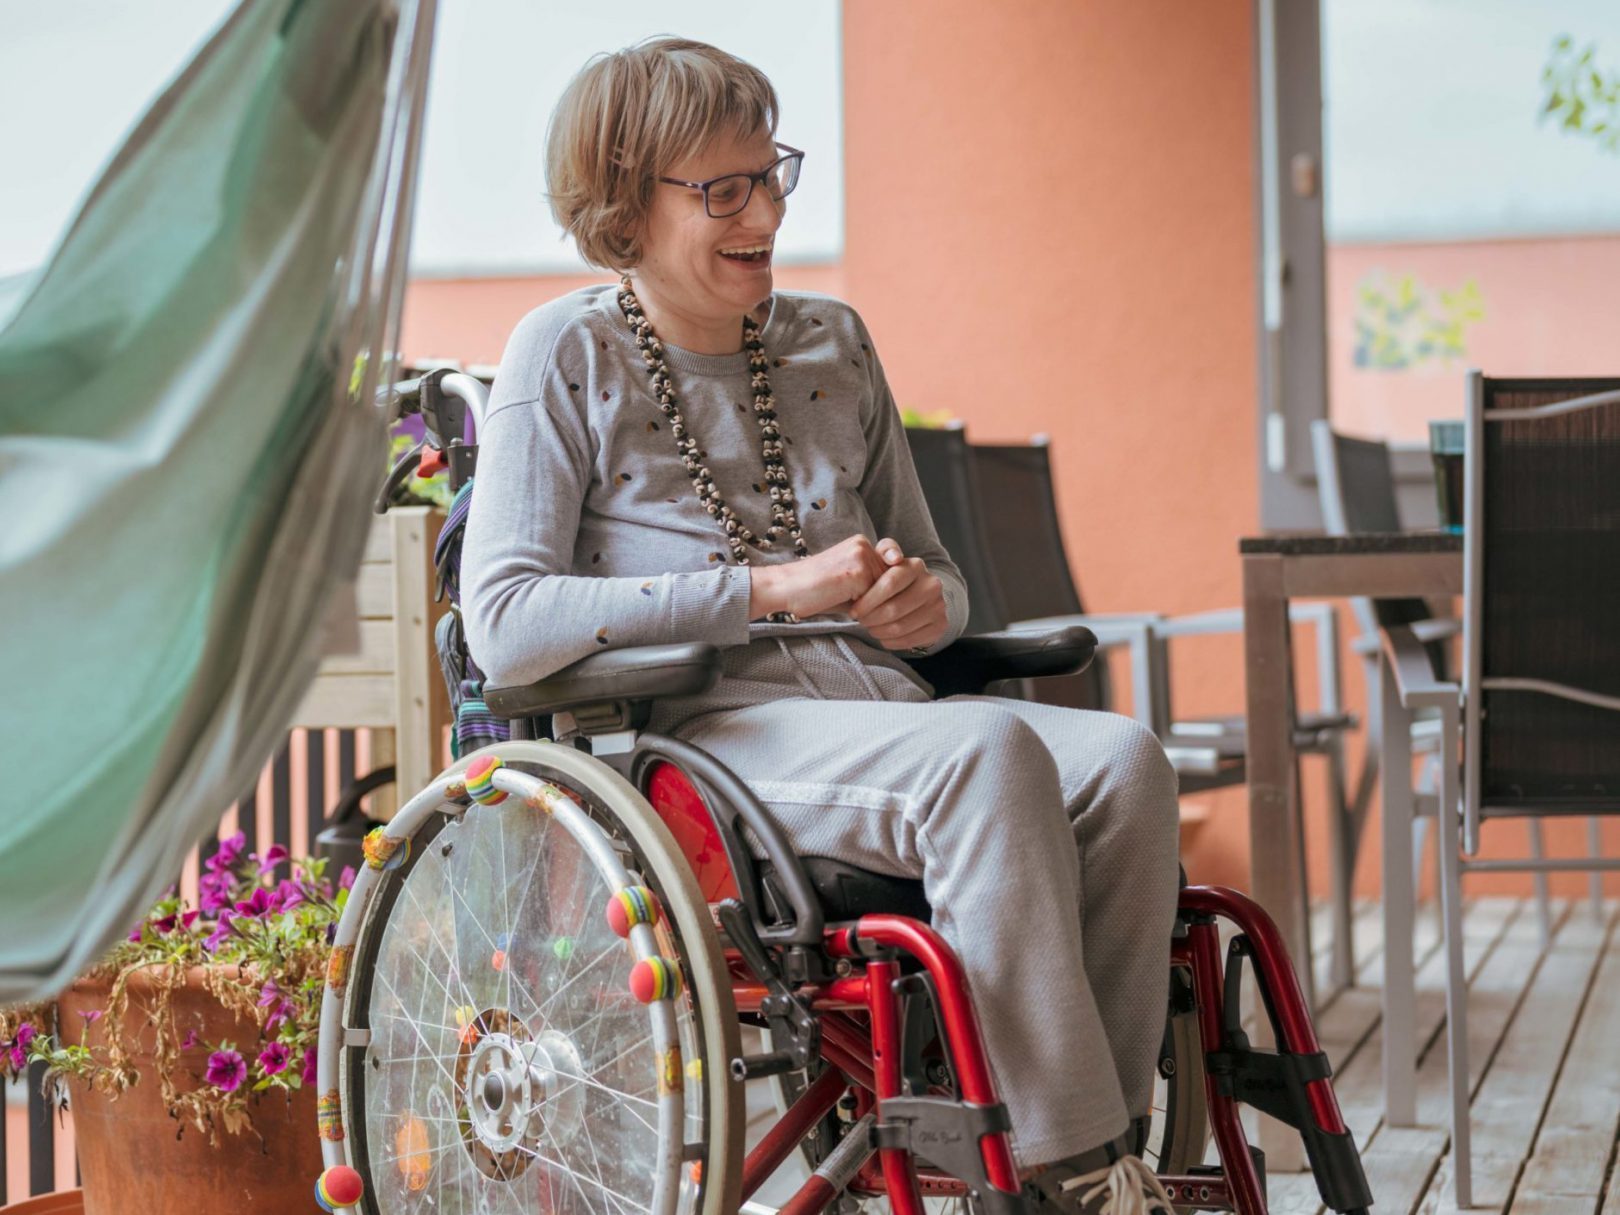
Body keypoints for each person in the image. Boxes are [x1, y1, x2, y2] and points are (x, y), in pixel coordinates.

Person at [461, 35, 1181, 1213]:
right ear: (624, 206)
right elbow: (506, 623)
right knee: (990, 752)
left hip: (883, 717)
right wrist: (765, 591)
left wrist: (918, 606)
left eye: (773, 174)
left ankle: (1102, 1135)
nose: (767, 212)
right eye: (724, 191)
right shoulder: (564, 354)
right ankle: (1071, 1174)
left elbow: (940, 577)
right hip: (711, 745)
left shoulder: (830, 343)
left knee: (1123, 762)